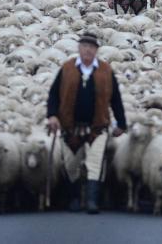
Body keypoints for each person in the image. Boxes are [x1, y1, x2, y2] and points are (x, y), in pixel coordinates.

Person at [47, 32, 127, 214]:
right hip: (70, 127)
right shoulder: (67, 68)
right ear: (79, 48)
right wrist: (52, 115)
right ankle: (75, 199)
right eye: (84, 46)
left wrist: (121, 123)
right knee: (71, 165)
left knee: (95, 163)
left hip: (97, 127)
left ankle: (92, 201)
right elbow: (54, 94)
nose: (87, 50)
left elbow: (116, 98)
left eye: (91, 47)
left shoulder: (105, 70)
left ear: (96, 50)